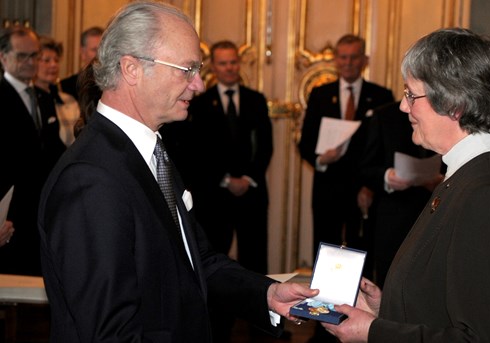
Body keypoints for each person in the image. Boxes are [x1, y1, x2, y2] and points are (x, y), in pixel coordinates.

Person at [37, 2, 317, 342]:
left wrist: (266, 294)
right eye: (186, 69)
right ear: (131, 69)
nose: (198, 85)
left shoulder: (152, 151)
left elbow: (195, 259)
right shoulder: (91, 178)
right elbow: (110, 332)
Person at [321, 27, 490, 342]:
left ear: (454, 104)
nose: (403, 107)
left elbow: (481, 337)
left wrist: (374, 331)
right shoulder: (466, 172)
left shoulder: (487, 194)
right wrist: (388, 310)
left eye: (411, 94)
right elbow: (447, 294)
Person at [162, 39, 273, 342]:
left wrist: (247, 178)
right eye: (223, 63)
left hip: (250, 194)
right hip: (216, 196)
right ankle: (217, 327)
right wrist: (224, 179)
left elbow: (265, 146)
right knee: (215, 260)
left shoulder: (255, 99)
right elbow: (196, 153)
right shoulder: (198, 101)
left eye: (233, 62)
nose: (229, 68)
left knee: (255, 261)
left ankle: (262, 327)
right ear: (214, 66)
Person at [298, 33, 394, 273]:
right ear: (335, 60)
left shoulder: (382, 96)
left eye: (354, 57)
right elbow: (306, 142)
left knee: (363, 248)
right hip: (327, 185)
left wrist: (371, 185)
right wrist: (321, 160)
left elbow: (386, 147)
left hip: (365, 189)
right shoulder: (320, 95)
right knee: (324, 246)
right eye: (343, 57)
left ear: (364, 60)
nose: (348, 62)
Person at [0, 26, 65, 276]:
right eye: (22, 56)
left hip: (40, 212)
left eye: (35, 55)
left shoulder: (43, 97)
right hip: (9, 217)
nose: (31, 62)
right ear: (3, 57)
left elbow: (51, 151)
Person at [358, 100, 443, 288]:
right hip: (393, 217)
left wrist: (442, 179)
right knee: (390, 283)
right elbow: (365, 169)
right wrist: (388, 177)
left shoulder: (445, 112)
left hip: (434, 214)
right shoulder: (385, 115)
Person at [34, 36, 80, 146]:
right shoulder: (30, 99)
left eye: (56, 60)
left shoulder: (68, 100)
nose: (53, 65)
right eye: (47, 60)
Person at [59, 26, 103, 99]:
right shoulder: (65, 86)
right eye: (94, 50)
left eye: (102, 49)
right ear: (82, 53)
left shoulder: (113, 85)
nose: (99, 54)